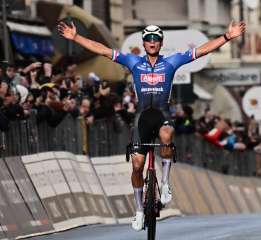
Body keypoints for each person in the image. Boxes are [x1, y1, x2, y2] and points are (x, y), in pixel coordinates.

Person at [58, 20, 245, 230]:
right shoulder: (134, 62)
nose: (152, 42)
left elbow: (201, 51)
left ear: (161, 43)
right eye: (148, 39)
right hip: (142, 117)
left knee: (166, 135)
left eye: (156, 39)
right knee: (137, 165)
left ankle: (164, 183)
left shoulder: (172, 62)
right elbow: (103, 50)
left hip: (163, 114)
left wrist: (227, 37)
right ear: (144, 43)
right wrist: (76, 38)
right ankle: (139, 210)